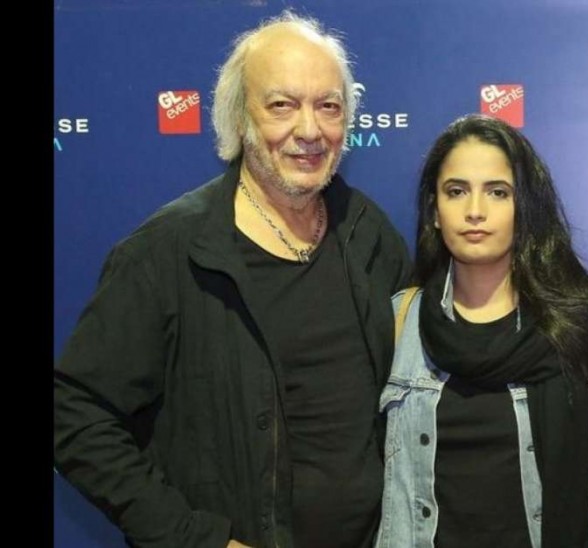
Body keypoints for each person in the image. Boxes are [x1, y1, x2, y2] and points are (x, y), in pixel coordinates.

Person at [54, 10, 411, 548]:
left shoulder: (370, 235)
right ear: (240, 118)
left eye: (328, 106)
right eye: (282, 105)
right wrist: (195, 539)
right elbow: (74, 414)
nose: (309, 130)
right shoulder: (165, 253)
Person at [375, 114, 588, 548]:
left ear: (525, 207)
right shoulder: (399, 322)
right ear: (434, 211)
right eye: (456, 191)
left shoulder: (587, 320)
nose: (475, 211)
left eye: (498, 192)